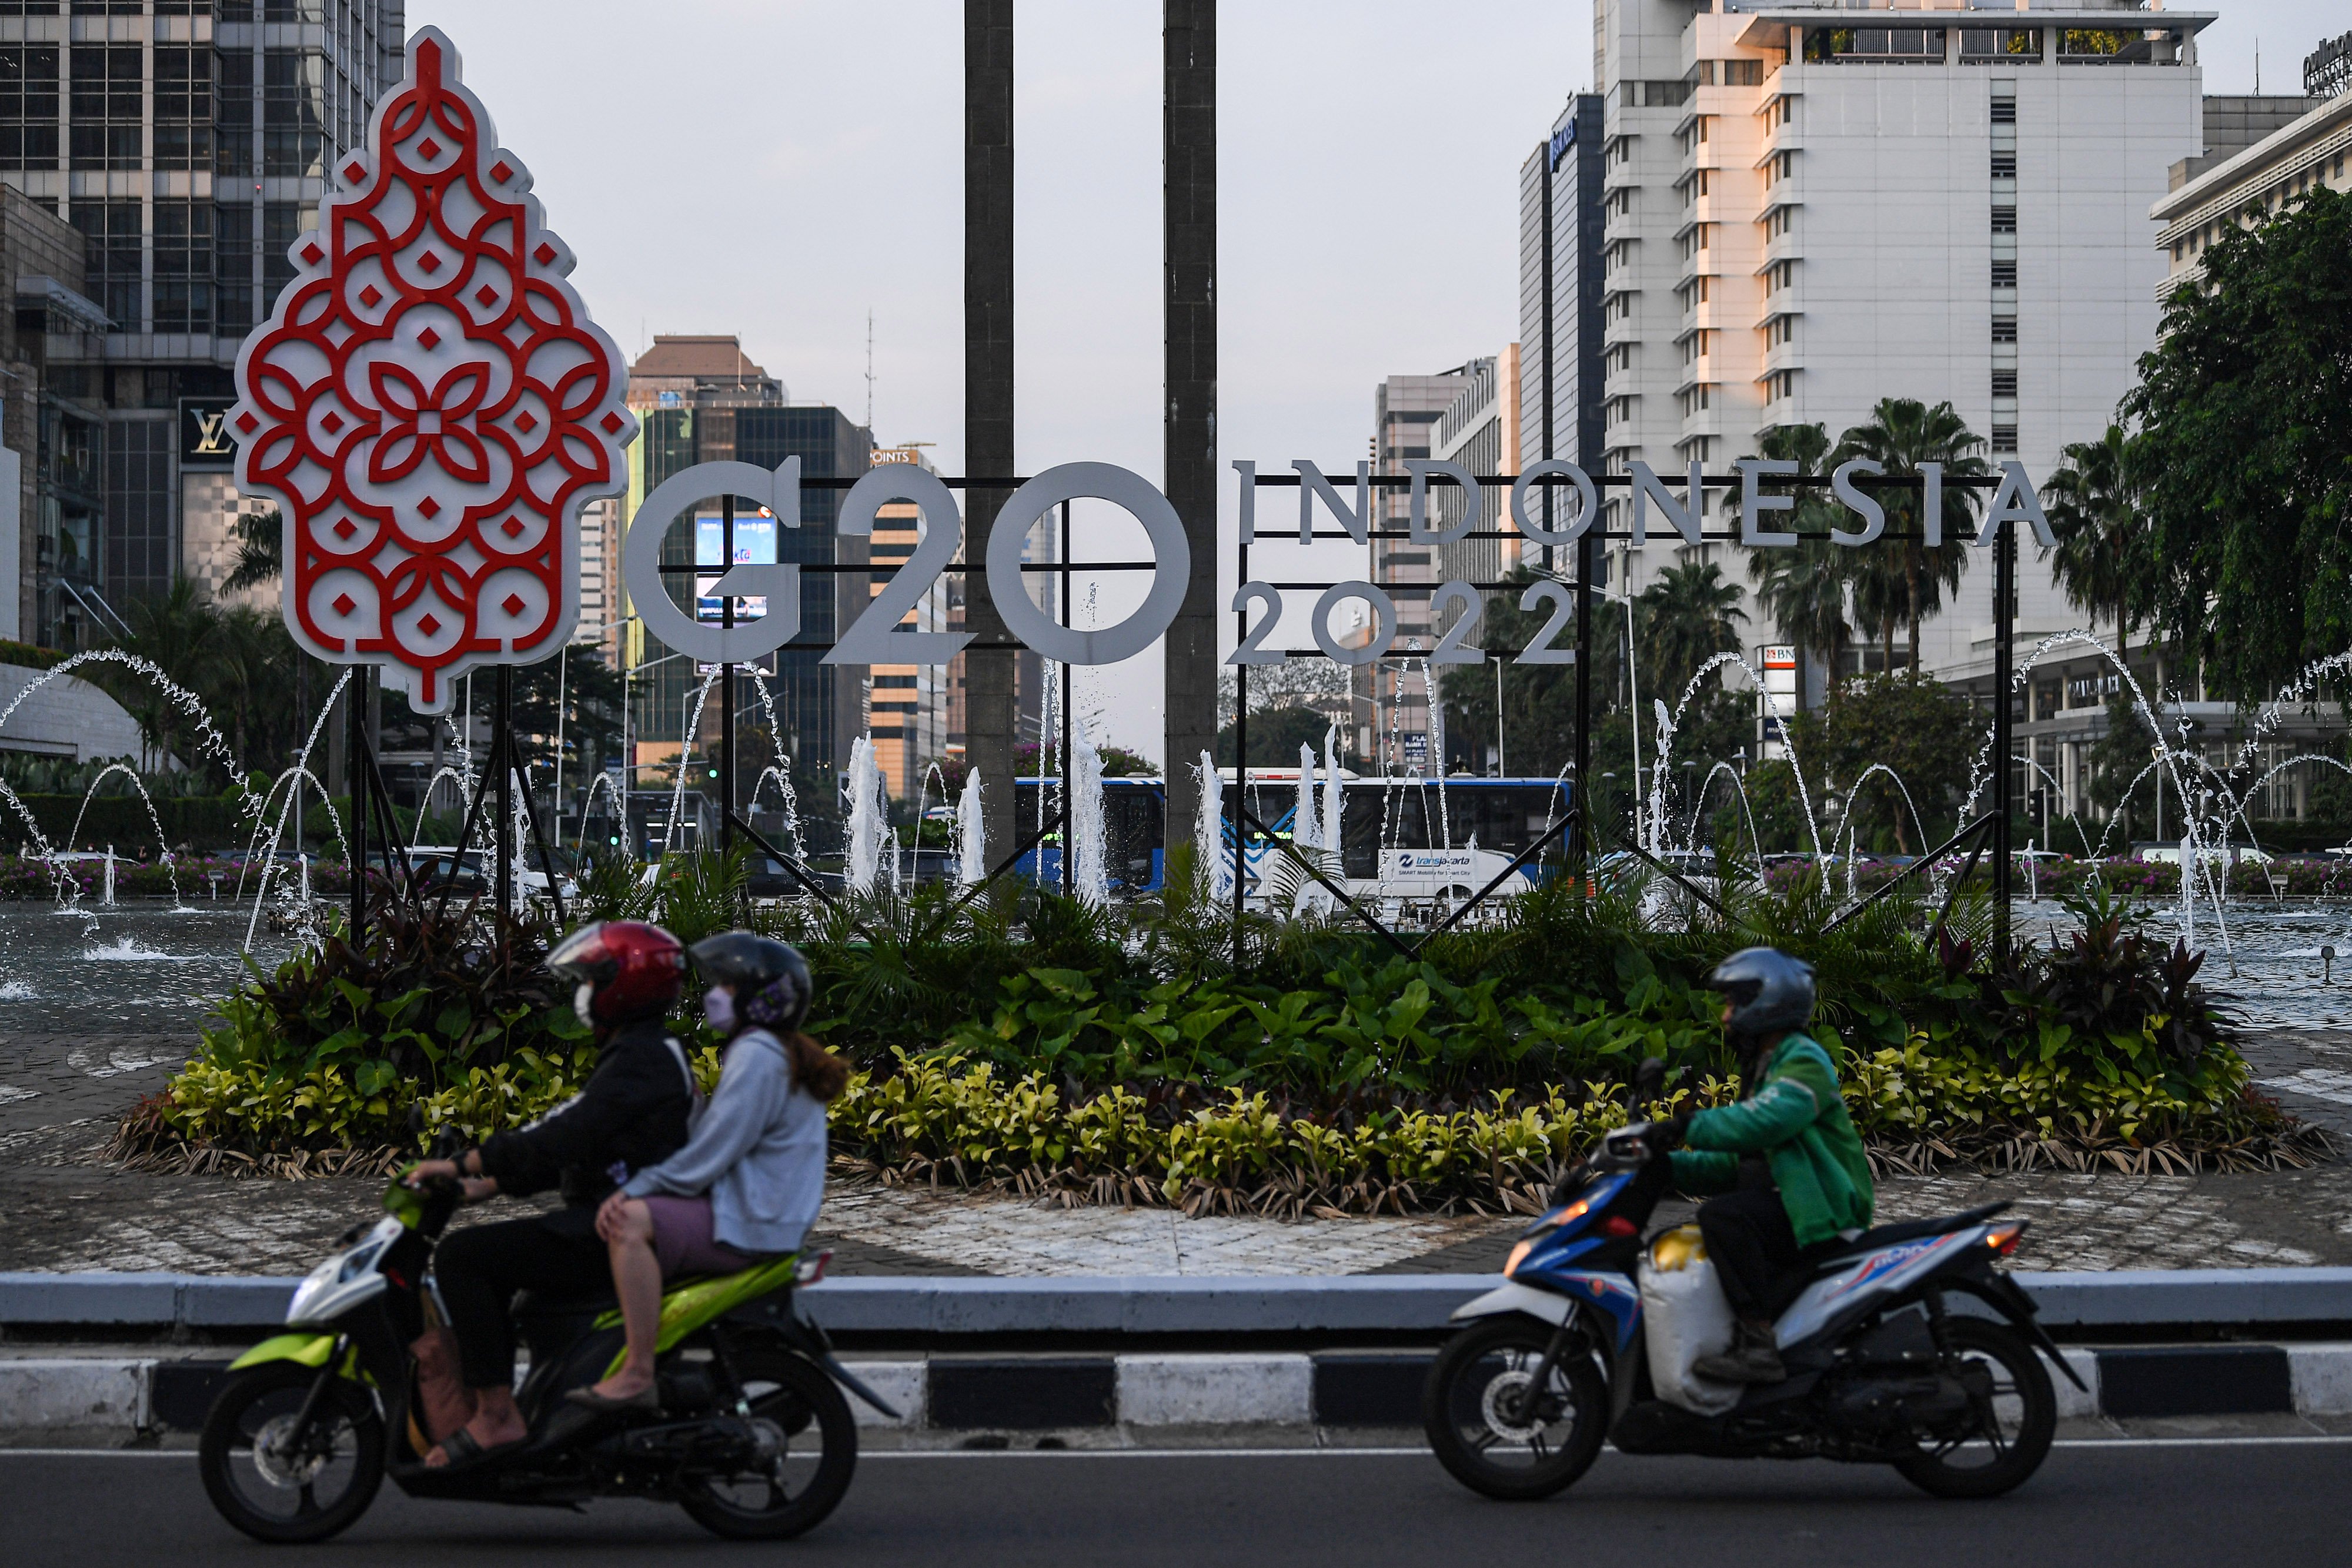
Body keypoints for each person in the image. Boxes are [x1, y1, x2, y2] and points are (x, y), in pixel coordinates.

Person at [403, 920, 697, 1467]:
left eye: (592, 981)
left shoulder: (641, 1059)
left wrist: (467, 1159)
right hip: (616, 1215)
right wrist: (483, 1184)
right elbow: (583, 1146)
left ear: (621, 987)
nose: (583, 994)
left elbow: (568, 1133)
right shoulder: (645, 1050)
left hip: (611, 1226)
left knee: (464, 1258)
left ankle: (495, 1416)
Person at [567, 931, 848, 1412]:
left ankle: (636, 1372)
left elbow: (712, 1155)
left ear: (759, 1000)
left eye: (727, 986)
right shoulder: (773, 1051)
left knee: (628, 1223)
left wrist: (636, 1188)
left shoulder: (758, 1054)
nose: (712, 994)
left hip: (749, 1224)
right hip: (762, 1217)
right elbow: (722, 1137)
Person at [1654, 946, 1874, 1385]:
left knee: (1724, 1217)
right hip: (1787, 1201)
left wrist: (1686, 1124)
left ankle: (1758, 1346)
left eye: (1734, 1003)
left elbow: (1762, 1123)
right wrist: (1664, 1167)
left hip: (1824, 1209)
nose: (1725, 1017)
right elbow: (1740, 1163)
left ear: (1766, 1003)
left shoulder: (1803, 1060)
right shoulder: (1767, 1066)